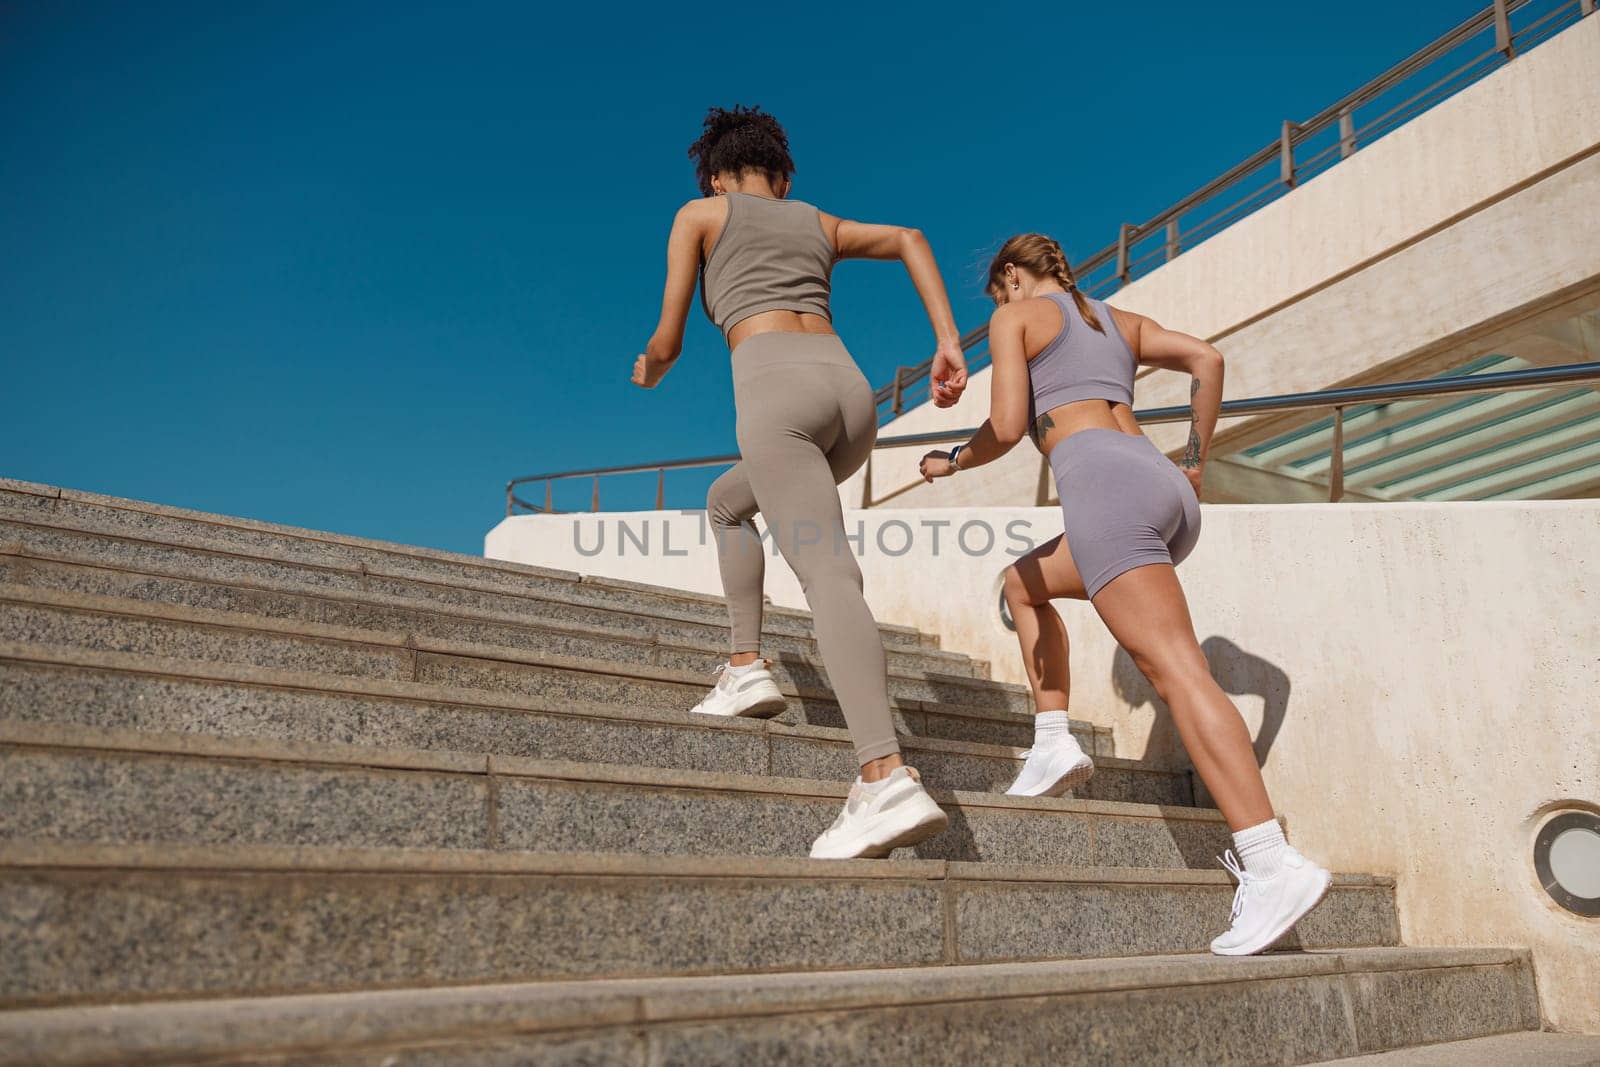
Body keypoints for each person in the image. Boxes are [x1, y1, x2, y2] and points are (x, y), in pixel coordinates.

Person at [918, 233, 1332, 956]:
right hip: (1158, 483)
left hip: (1104, 487)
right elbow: (1208, 358)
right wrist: (1194, 465)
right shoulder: (1119, 321)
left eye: (999, 292)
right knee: (1022, 583)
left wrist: (952, 459)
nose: (1001, 307)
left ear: (1012, 276)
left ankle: (1270, 862)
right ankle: (1052, 741)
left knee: (1176, 670)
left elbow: (1009, 426)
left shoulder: (1018, 318)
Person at [632, 105, 967, 860]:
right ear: (781, 175)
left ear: (717, 173)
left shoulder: (700, 212)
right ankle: (746, 665)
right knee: (727, 502)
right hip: (850, 398)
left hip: (776, 391)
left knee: (826, 571)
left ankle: (883, 773)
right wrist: (946, 340)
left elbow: (670, 337)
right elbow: (911, 237)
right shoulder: (815, 219)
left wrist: (650, 365)